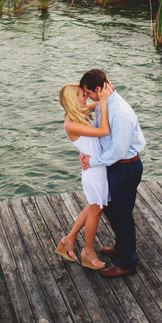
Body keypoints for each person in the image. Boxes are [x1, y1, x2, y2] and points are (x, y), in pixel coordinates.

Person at [78, 68, 145, 278]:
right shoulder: (105, 103)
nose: (88, 97)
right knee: (109, 208)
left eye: (88, 93)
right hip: (115, 166)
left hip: (125, 166)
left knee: (123, 215)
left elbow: (118, 150)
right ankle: (121, 246)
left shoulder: (120, 112)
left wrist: (92, 161)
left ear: (99, 89)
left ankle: (128, 262)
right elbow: (93, 115)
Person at [55, 83, 111, 270]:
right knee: (96, 212)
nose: (86, 96)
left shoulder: (79, 112)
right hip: (94, 172)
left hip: (96, 167)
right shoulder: (71, 124)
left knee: (94, 207)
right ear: (73, 99)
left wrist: (105, 96)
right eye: (82, 94)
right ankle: (88, 252)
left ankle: (68, 240)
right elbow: (104, 131)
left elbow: (99, 104)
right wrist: (102, 101)